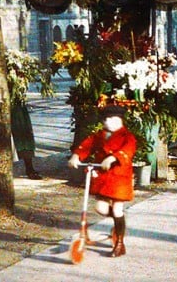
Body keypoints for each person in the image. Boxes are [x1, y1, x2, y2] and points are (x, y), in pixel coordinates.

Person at [69, 104, 137, 257]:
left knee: (118, 208)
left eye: (113, 119)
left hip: (120, 177)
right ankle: (119, 222)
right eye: (106, 119)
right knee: (101, 208)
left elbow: (128, 150)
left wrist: (113, 157)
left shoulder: (127, 137)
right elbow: (87, 145)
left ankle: (120, 243)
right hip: (104, 178)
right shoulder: (100, 135)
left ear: (120, 120)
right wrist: (76, 156)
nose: (108, 122)